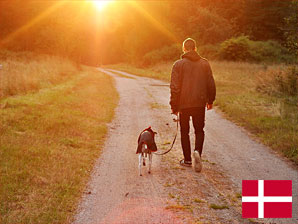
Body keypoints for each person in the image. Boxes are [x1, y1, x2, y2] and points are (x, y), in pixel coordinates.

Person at [170, 38, 216, 172]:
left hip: (183, 105)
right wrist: (210, 100)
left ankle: (187, 159)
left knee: (185, 131)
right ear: (195, 48)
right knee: (199, 130)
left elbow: (174, 87)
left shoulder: (178, 64)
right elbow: (210, 83)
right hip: (199, 103)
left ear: (184, 49)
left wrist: (174, 105)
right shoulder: (205, 63)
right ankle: (197, 152)